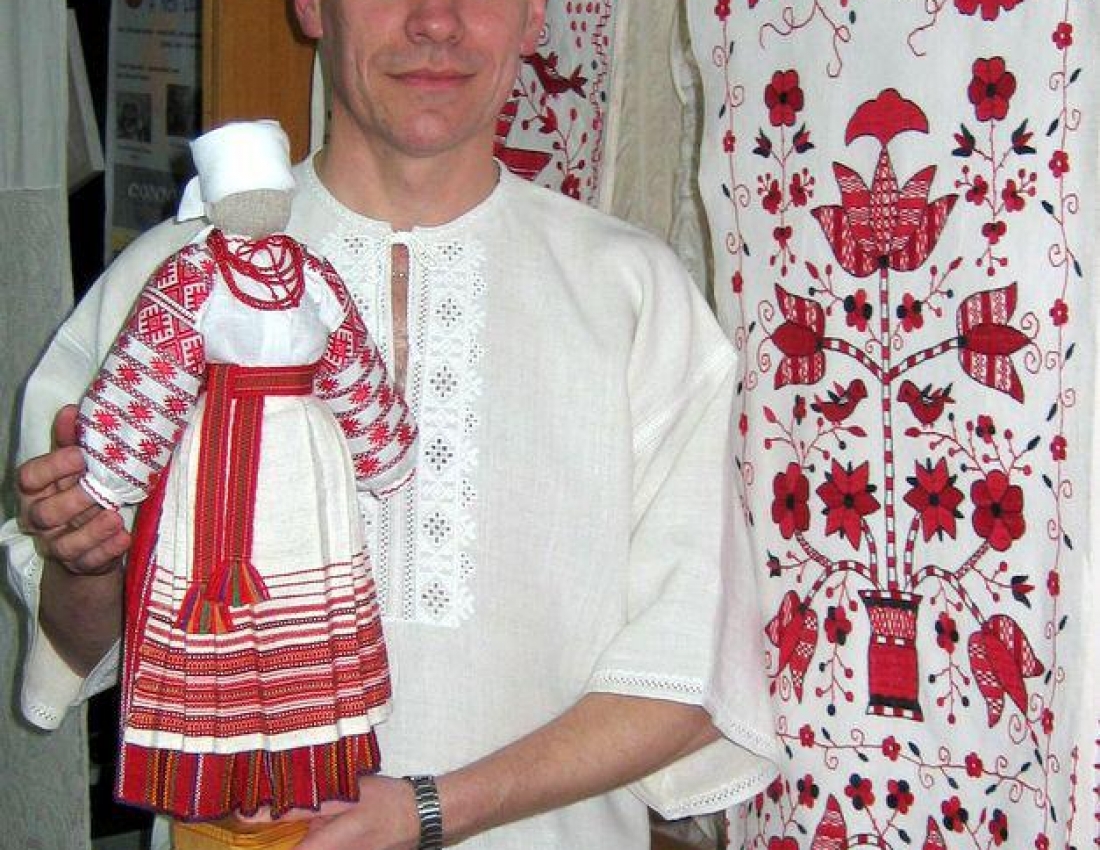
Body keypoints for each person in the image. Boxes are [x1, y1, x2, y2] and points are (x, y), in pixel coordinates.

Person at [3, 1, 780, 848]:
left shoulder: (633, 294)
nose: (435, 22)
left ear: (532, 17)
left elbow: (688, 676)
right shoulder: (172, 282)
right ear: (312, 6)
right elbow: (79, 645)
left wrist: (431, 809)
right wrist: (86, 561)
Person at [75, 120, 416, 827]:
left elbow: (351, 360)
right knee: (223, 621)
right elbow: (152, 370)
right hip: (218, 458)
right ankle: (225, 771)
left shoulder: (312, 271)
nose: (262, 204)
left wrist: (382, 446)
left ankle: (304, 759)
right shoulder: (191, 273)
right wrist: (110, 471)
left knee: (303, 600)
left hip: (305, 458)